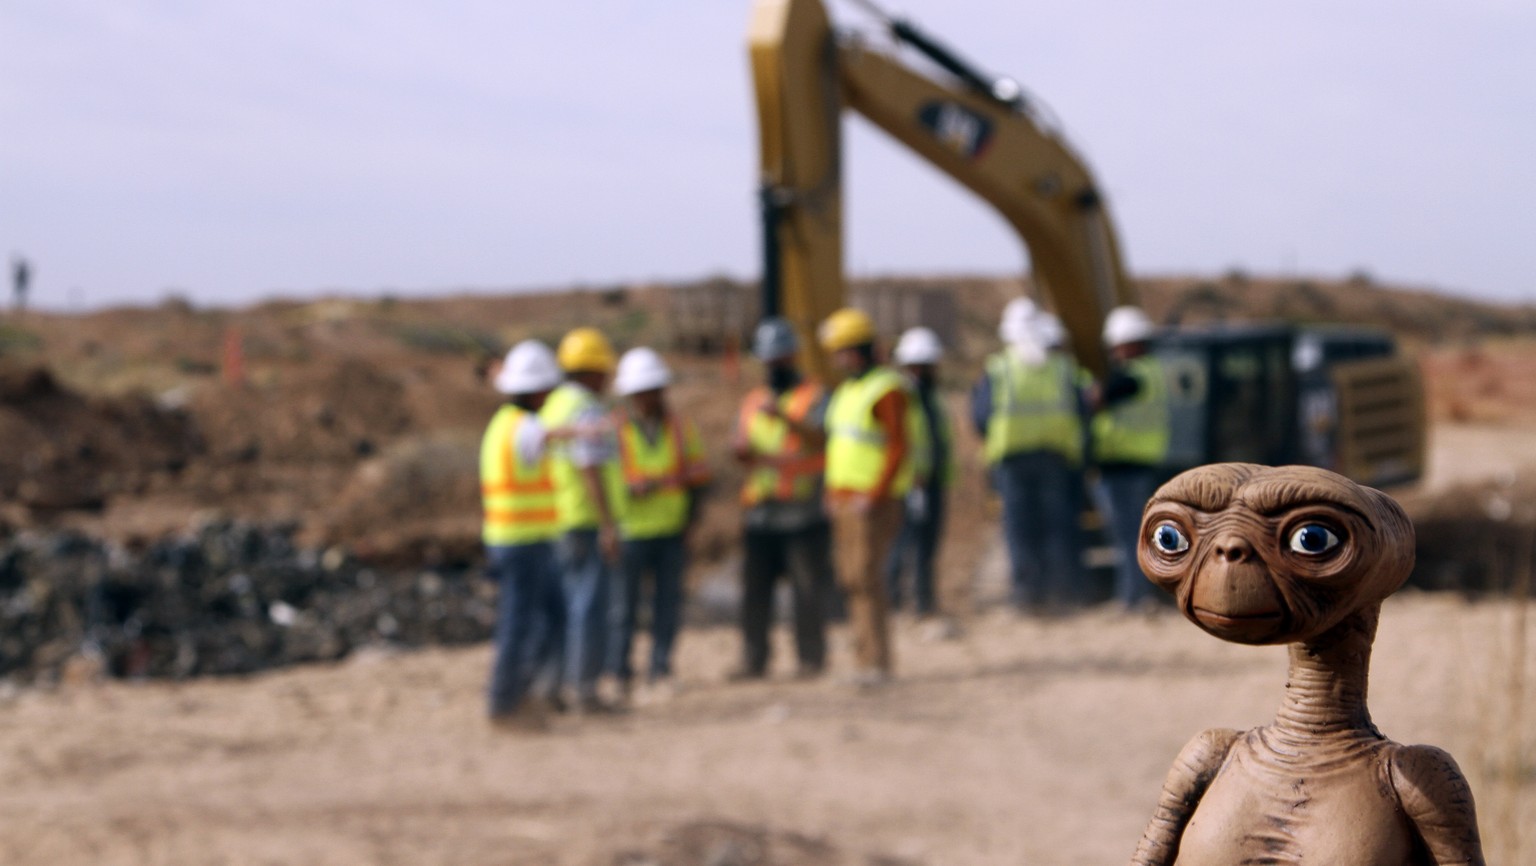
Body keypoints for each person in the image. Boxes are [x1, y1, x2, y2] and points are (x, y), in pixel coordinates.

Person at [818, 307, 924, 687]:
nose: (835, 358)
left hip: (871, 503)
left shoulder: (886, 389)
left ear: (857, 349)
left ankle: (877, 662)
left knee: (867, 579)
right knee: (851, 579)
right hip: (845, 500)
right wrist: (832, 492)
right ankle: (863, 658)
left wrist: (875, 493)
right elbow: (839, 447)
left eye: (840, 350)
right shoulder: (848, 391)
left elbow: (898, 446)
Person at [730, 317, 834, 680]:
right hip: (761, 512)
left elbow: (823, 441)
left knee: (806, 592)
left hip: (803, 514)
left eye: (779, 359)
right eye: (767, 360)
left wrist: (786, 419)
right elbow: (741, 444)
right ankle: (753, 659)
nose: (772, 366)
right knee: (754, 593)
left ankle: (811, 659)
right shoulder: (753, 400)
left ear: (792, 357)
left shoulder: (815, 397)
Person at [971, 303, 1089, 613]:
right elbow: (1081, 408)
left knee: (1019, 529)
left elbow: (981, 416)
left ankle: (1027, 596)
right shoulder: (1062, 367)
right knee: (1056, 526)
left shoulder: (999, 368)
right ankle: (1062, 594)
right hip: (1055, 459)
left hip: (1012, 462)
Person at [607, 347, 710, 701]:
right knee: (623, 607)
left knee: (668, 605)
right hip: (630, 531)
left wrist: (691, 525)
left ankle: (660, 668)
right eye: (640, 391)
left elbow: (698, 479)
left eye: (651, 390)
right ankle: (620, 671)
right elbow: (604, 480)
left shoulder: (682, 428)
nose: (647, 397)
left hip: (671, 532)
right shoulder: (614, 429)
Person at [479, 340, 567, 730]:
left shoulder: (501, 423)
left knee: (545, 619)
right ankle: (505, 703)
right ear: (537, 389)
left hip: (511, 538)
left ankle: (524, 696)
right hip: (522, 541)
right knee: (521, 624)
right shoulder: (527, 426)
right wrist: (590, 429)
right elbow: (549, 437)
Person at [540, 327, 626, 712]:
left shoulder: (553, 405)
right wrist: (608, 524)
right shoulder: (586, 409)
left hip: (555, 518)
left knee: (561, 607)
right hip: (585, 519)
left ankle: (552, 687)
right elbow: (590, 467)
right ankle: (584, 690)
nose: (608, 378)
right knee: (589, 606)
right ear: (591, 371)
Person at [1088, 305, 1171, 611]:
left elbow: (1099, 399)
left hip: (1122, 467)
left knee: (1127, 537)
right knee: (1132, 535)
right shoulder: (1151, 373)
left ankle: (1132, 597)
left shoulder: (1132, 376)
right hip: (1135, 465)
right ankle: (1135, 595)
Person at [883, 326, 953, 617]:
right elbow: (899, 440)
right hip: (910, 483)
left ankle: (925, 602)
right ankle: (893, 601)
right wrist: (912, 476)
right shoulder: (901, 396)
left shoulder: (932, 397)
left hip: (934, 482)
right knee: (903, 543)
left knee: (927, 546)